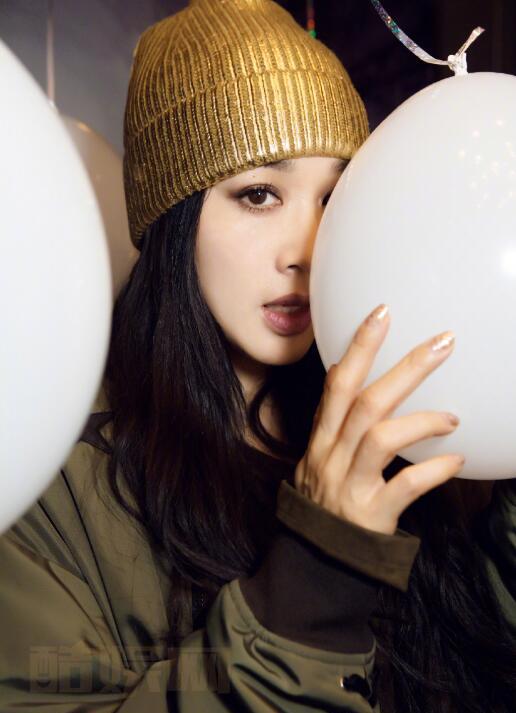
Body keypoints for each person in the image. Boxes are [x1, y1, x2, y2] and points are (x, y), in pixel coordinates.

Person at [0, 0, 515, 711]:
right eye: (260, 194)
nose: (307, 251)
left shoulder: (414, 422)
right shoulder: (50, 491)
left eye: (335, 196)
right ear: (173, 219)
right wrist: (319, 572)